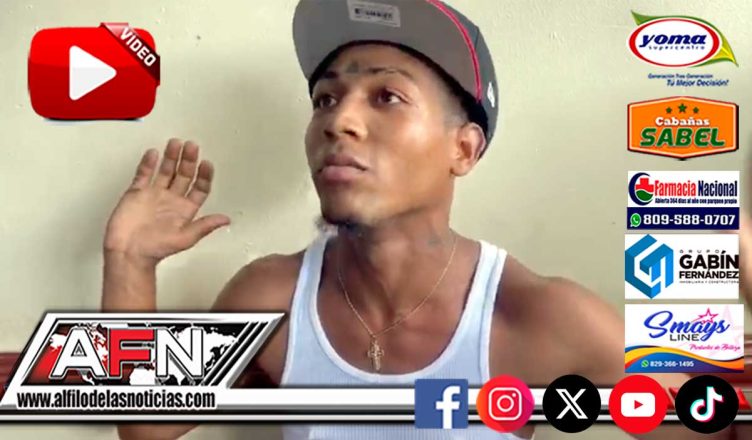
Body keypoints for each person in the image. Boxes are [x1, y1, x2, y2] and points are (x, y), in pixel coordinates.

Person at [103, 1, 751, 439]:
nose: (339, 120)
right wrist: (129, 262)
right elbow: (147, 425)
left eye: (386, 96)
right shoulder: (269, 297)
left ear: (463, 149)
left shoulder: (538, 318)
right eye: (325, 98)